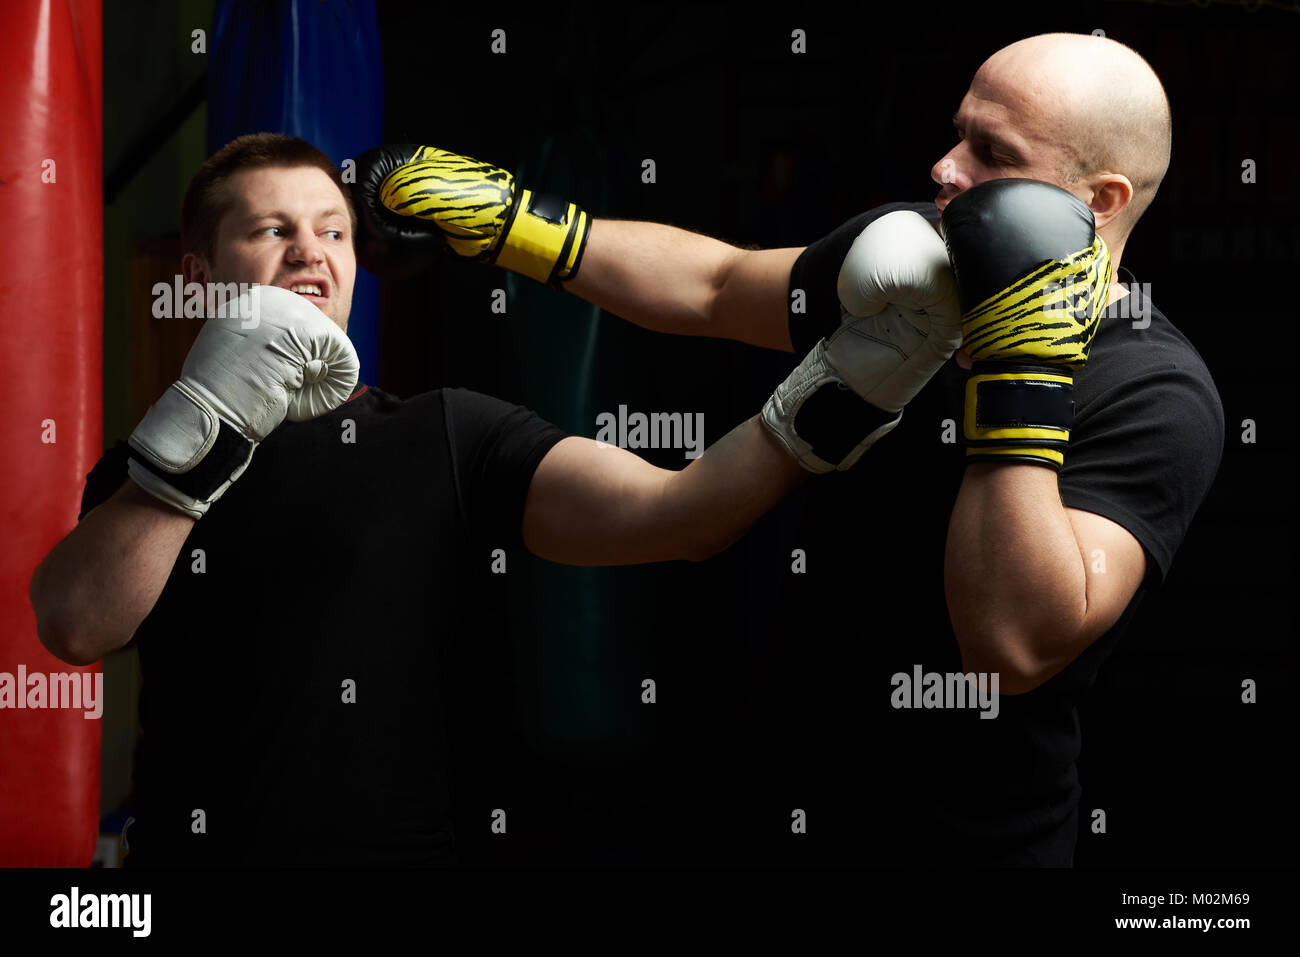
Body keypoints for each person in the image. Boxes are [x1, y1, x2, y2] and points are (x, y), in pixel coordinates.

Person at [357, 32, 1224, 864]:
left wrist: (1021, 362)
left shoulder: (1155, 392)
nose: (945, 168)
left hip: (971, 844)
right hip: (776, 804)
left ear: (1101, 200)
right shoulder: (913, 262)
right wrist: (518, 224)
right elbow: (713, 286)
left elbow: (1008, 647)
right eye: (958, 133)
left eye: (991, 152)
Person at [28, 133, 962, 865]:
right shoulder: (150, 459)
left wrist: (849, 384)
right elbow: (74, 624)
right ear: (199, 275)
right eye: (271, 230)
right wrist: (204, 428)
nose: (310, 251)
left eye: (334, 230)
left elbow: (683, 515)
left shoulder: (449, 431)